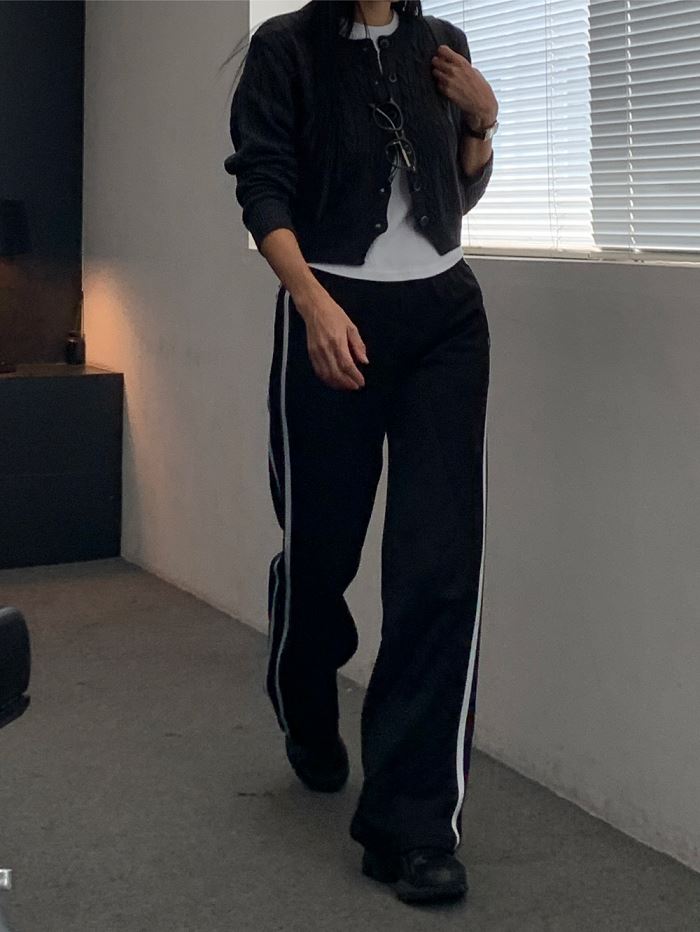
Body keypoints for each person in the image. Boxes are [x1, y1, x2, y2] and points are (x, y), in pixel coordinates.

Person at [222, 0, 498, 905]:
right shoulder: (285, 49)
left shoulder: (443, 46)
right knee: (320, 555)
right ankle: (304, 689)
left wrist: (481, 124)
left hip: (445, 321)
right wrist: (311, 303)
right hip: (330, 313)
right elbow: (262, 187)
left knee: (438, 569)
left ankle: (412, 827)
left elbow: (455, 196)